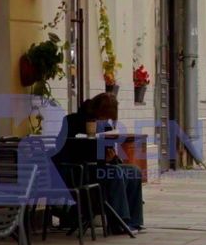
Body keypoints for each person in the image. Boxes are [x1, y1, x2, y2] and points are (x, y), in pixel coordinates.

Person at [55, 93, 143, 233]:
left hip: (99, 167)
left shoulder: (105, 126)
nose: (105, 120)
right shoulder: (71, 121)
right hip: (78, 170)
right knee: (115, 173)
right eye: (104, 116)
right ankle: (119, 224)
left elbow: (108, 151)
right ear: (96, 110)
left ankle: (135, 221)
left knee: (134, 171)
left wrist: (111, 158)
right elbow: (63, 150)